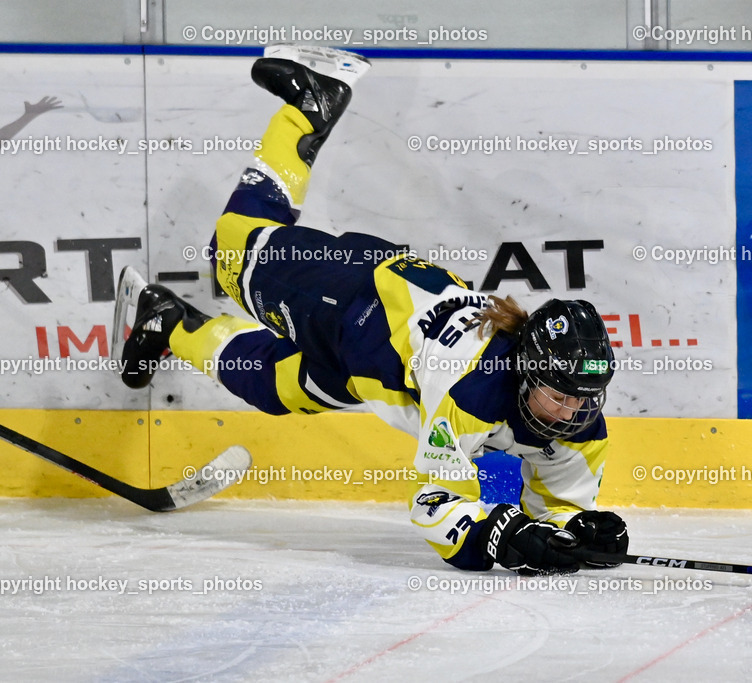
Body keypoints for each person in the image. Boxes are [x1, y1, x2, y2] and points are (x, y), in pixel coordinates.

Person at [115, 45, 628, 574]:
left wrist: (576, 532)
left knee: (270, 385)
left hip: (367, 370)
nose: (570, 415)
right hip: (347, 299)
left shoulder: (580, 421)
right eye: (559, 397)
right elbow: (435, 505)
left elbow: (562, 506)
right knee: (231, 250)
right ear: (523, 373)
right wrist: (499, 539)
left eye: (583, 399)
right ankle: (308, 106)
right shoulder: (472, 388)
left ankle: (164, 321)